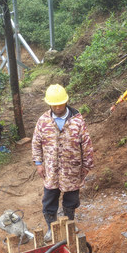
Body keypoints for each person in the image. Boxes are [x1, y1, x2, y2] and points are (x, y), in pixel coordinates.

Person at [32, 84, 94, 242]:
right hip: (51, 170)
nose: (58, 107)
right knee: (49, 200)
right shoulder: (43, 121)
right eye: (54, 104)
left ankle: (70, 224)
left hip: (72, 170)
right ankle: (51, 228)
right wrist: (39, 163)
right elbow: (36, 143)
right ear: (49, 104)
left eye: (60, 103)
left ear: (66, 102)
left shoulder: (77, 121)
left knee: (72, 199)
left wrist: (87, 165)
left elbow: (86, 145)